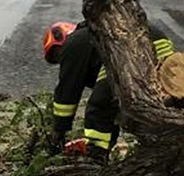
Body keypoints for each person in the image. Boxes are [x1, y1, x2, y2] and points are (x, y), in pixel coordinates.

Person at [43, 21, 175, 162]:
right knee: (149, 103)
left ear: (60, 38)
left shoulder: (73, 43)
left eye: (56, 53)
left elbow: (67, 93)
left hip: (130, 51)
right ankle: (166, 143)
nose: (60, 58)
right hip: (160, 46)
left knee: (98, 108)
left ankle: (96, 156)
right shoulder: (90, 37)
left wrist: (59, 130)